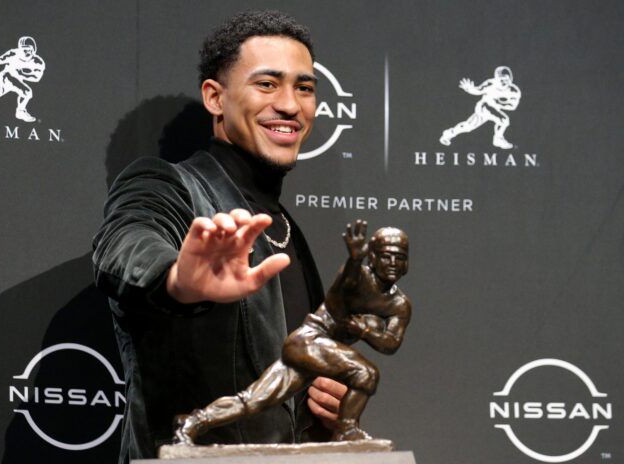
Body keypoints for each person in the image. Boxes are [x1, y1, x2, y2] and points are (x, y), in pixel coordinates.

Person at [92, 10, 347, 463]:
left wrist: (323, 406)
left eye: (304, 87)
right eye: (267, 84)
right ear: (215, 97)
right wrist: (177, 281)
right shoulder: (167, 184)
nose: (290, 104)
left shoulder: (285, 226)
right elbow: (126, 242)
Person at [174, 221, 412, 444]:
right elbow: (345, 285)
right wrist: (354, 259)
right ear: (372, 257)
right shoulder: (358, 277)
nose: (392, 262)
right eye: (386, 256)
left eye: (399, 258)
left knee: (253, 400)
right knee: (366, 373)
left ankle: (193, 422)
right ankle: (346, 429)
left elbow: (390, 343)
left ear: (407, 264)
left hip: (316, 355)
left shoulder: (399, 305)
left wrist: (365, 331)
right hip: (310, 340)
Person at [439, 66, 521, 149]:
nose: (504, 82)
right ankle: (498, 139)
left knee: (468, 126)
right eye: (501, 79)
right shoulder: (490, 84)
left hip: (494, 110)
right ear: (496, 78)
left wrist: (498, 103)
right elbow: (478, 90)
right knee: (503, 120)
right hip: (483, 107)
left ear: (510, 79)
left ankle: (449, 133)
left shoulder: (514, 91)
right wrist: (469, 89)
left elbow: (513, 106)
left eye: (506, 79)